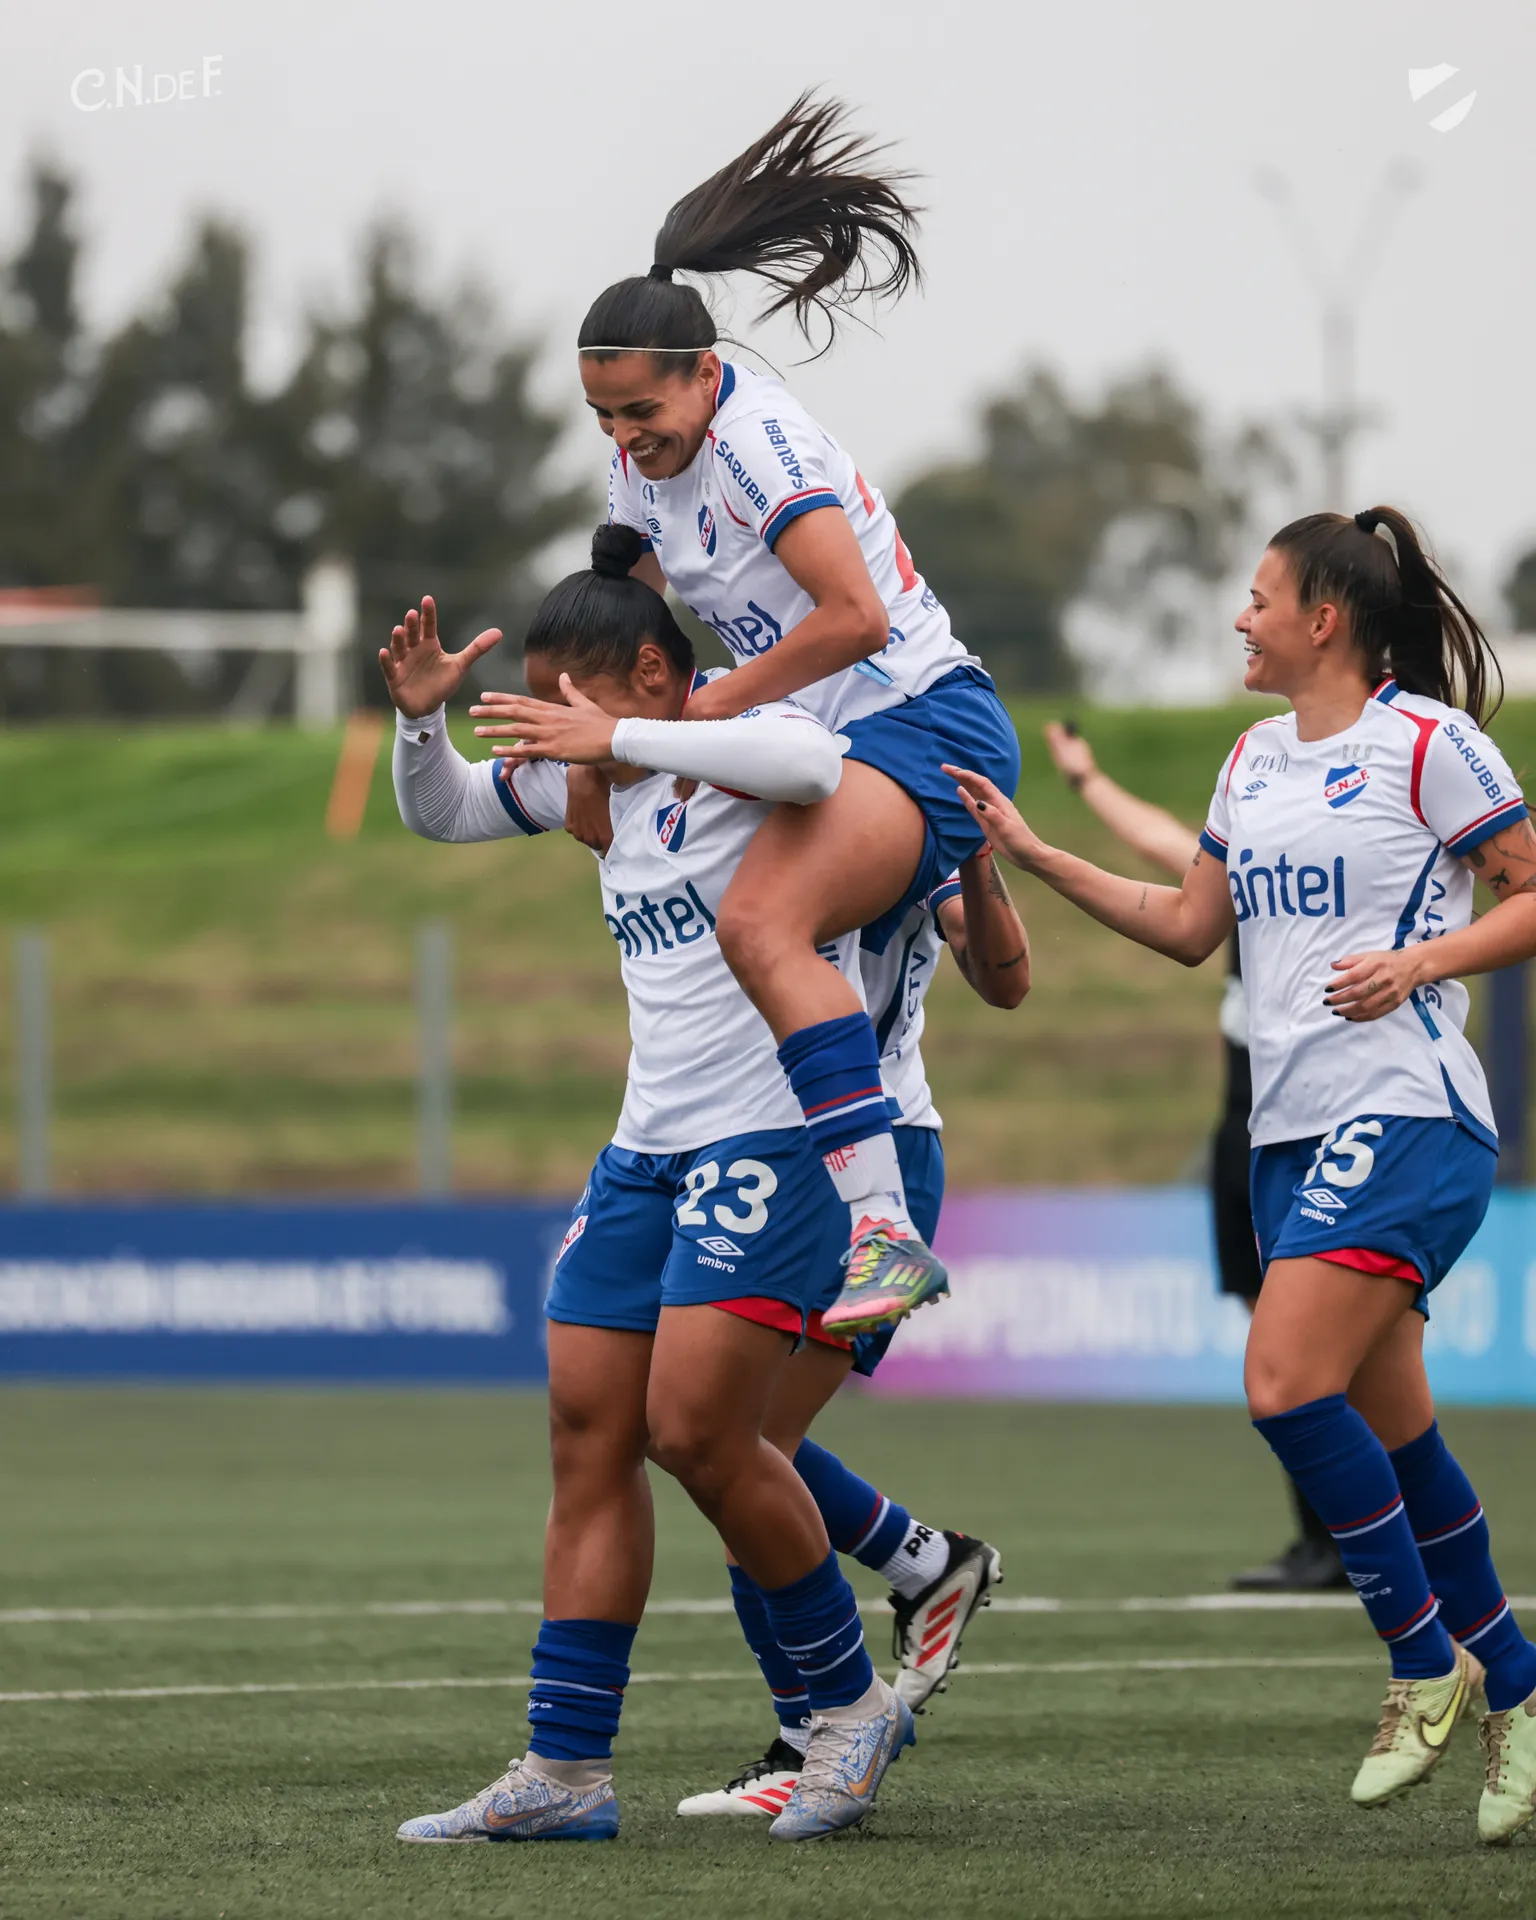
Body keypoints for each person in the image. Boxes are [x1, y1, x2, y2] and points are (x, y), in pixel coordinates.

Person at [379, 526, 993, 1845]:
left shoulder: (754, 752)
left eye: (577, 704)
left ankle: (845, 1707)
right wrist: (422, 723)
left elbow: (813, 761)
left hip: (773, 1142)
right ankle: (564, 1771)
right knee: (588, 1432)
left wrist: (624, 739)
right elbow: (440, 810)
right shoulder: (591, 776)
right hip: (646, 1147)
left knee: (706, 1435)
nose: (558, 734)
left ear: (657, 679)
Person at [946, 507, 1536, 1844]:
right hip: (1289, 1137)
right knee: (1398, 1431)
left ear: (1324, 618)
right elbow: (1186, 925)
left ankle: (1421, 1661)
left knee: (1282, 1384)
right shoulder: (1252, 760)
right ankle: (1517, 1682)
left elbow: (1527, 891)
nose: (1240, 618)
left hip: (1410, 1114)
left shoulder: (1431, 745)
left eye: (1259, 598)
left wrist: (1422, 962)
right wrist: (1037, 855)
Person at [570, 92, 1022, 1339]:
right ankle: (831, 1218)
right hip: (827, 742)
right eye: (603, 418)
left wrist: (708, 707)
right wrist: (596, 734)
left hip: (925, 722)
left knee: (760, 921)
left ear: (706, 377)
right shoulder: (643, 458)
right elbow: (625, 608)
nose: (626, 440)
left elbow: (856, 618)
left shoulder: (757, 444)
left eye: (643, 414)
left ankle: (884, 1230)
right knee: (761, 926)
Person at [676, 858, 1029, 1818]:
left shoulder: (884, 811)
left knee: (737, 1448)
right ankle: (923, 1569)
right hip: (769, 1145)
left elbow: (1000, 970)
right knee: (727, 1444)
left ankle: (812, 1736)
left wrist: (974, 862)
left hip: (863, 1143)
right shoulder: (764, 804)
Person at [1041, 720, 1346, 1593]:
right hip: (1242, 1122)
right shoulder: (1245, 868)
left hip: (1317, 1117)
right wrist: (1085, 780)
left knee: (1321, 1343)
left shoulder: (1329, 877)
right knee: (1272, 1332)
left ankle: (1356, 1538)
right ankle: (1322, 1537)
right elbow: (1162, 844)